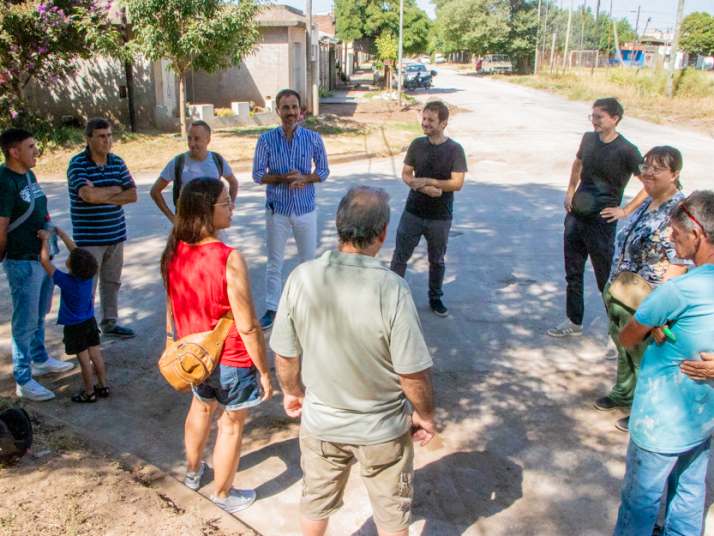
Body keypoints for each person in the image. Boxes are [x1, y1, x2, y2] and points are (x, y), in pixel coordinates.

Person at [272, 186, 436, 536]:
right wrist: (424, 414)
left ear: (338, 225)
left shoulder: (302, 278)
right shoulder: (392, 289)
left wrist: (290, 391)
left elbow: (285, 352)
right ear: (382, 234)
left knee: (315, 504)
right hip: (382, 433)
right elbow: (412, 372)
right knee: (392, 519)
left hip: (321, 425)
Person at [161, 178, 273, 514]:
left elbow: (172, 306)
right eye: (226, 202)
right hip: (232, 359)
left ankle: (193, 474)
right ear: (206, 211)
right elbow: (248, 324)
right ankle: (223, 495)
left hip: (194, 354)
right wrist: (264, 370)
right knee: (231, 424)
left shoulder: (175, 249)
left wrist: (170, 342)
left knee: (200, 407)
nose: (232, 206)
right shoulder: (228, 257)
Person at [613, 190, 714, 536]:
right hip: (702, 418)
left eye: (676, 233)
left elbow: (627, 336)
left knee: (640, 501)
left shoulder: (679, 291)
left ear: (697, 235)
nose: (672, 241)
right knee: (689, 493)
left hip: (660, 421)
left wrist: (651, 320)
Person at [593, 146, 690, 432]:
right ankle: (623, 392)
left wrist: (662, 308)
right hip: (621, 290)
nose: (648, 173)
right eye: (646, 166)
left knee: (646, 357)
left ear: (675, 174)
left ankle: (644, 409)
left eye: (657, 169)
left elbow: (679, 260)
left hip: (649, 297)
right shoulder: (647, 199)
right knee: (624, 347)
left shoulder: (679, 210)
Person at [548, 98, 646, 338]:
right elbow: (577, 163)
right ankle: (574, 321)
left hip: (601, 222)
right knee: (573, 273)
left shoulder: (627, 150)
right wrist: (570, 190)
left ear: (615, 119)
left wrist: (625, 210)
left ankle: (616, 333)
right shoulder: (588, 139)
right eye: (592, 116)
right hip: (575, 217)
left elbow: (648, 183)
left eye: (599, 117)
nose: (594, 121)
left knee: (605, 279)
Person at [0, 128, 74, 402]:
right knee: (24, 320)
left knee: (40, 312)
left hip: (41, 256)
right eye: (30, 147)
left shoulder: (28, 174)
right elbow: (2, 224)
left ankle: (40, 359)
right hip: (22, 260)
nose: (36, 151)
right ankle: (23, 377)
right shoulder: (5, 181)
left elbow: (38, 207)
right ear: (14, 151)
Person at [252, 88, 329, 329]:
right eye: (285, 108)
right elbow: (257, 175)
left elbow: (324, 171)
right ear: (277, 111)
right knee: (275, 262)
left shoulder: (313, 138)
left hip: (305, 210)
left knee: (307, 261)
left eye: (294, 107)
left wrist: (305, 179)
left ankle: (308, 308)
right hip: (278, 211)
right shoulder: (266, 140)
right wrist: (280, 179)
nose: (290, 112)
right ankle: (272, 309)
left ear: (300, 110)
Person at [389, 100, 467, 317]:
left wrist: (430, 182)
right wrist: (423, 188)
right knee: (400, 256)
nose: (425, 123)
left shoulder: (455, 150)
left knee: (437, 260)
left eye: (431, 120)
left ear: (443, 123)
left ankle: (435, 298)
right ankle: (392, 297)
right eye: (424, 119)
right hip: (412, 212)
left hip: (440, 217)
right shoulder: (416, 145)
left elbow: (457, 183)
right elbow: (406, 174)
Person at [67, 118, 137, 338]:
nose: (107, 141)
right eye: (101, 136)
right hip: (90, 239)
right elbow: (87, 195)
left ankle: (109, 322)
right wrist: (115, 190)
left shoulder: (116, 162)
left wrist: (101, 194)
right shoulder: (78, 164)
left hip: (115, 234)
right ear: (88, 139)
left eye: (109, 136)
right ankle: (85, 326)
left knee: (112, 282)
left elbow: (133, 194)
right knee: (87, 283)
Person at [37, 226, 109, 403]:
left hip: (75, 327)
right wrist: (61, 234)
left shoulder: (67, 281)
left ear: (71, 265)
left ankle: (89, 392)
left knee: (84, 362)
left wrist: (45, 239)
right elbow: (77, 252)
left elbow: (44, 261)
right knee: (96, 356)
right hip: (90, 323)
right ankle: (103, 385)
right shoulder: (89, 275)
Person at [150, 120, 238, 223]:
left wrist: (229, 206)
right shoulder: (178, 162)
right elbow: (155, 191)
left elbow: (233, 183)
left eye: (197, 139)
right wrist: (172, 218)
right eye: (189, 138)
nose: (192, 143)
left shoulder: (217, 160)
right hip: (187, 226)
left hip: (214, 225)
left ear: (208, 140)